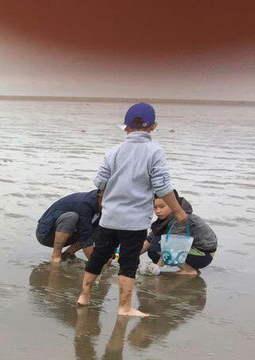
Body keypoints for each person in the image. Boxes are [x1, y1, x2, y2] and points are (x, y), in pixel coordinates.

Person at [76, 103, 188, 316]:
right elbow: (163, 187)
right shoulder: (155, 152)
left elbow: (99, 181)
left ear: (125, 127)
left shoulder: (113, 151)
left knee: (99, 257)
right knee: (128, 262)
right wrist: (179, 212)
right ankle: (124, 307)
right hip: (135, 221)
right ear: (153, 127)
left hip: (109, 218)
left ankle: (84, 296)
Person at [141, 191, 217, 275]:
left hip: (203, 255)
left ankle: (189, 270)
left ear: (173, 204)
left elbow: (173, 247)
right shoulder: (164, 219)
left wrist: (156, 269)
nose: (158, 211)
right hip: (190, 250)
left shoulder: (182, 219)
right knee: (152, 249)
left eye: (162, 207)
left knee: (157, 244)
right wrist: (129, 257)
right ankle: (184, 267)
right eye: (155, 207)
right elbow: (148, 240)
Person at [36, 190, 102, 262]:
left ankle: (68, 254)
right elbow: (85, 237)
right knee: (72, 217)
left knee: (99, 228)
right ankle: (56, 256)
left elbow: (109, 233)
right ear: (100, 194)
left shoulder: (106, 208)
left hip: (70, 235)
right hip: (46, 234)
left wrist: (109, 256)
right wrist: (95, 264)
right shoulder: (84, 204)